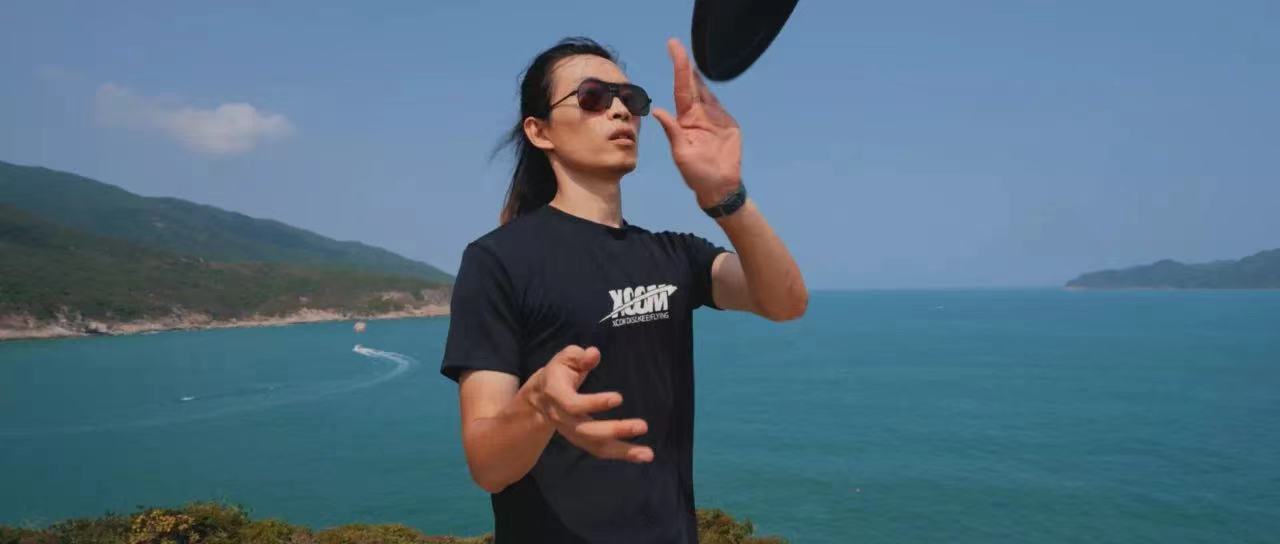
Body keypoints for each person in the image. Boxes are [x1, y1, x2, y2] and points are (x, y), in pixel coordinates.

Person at [439, 35, 807, 543]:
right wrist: (539, 404)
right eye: (593, 97)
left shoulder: (675, 254)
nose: (619, 111)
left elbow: (785, 301)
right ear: (539, 131)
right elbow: (487, 466)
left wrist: (725, 194)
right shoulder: (497, 261)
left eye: (630, 99)